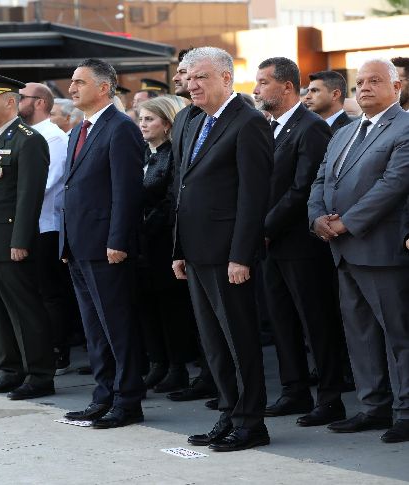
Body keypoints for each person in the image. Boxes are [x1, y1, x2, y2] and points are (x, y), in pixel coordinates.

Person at [173, 47, 273, 451]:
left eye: (202, 77)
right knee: (213, 343)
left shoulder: (247, 121)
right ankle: (230, 414)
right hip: (196, 252)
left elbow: (254, 196)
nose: (192, 84)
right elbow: (182, 190)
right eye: (189, 77)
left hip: (229, 256)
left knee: (240, 341)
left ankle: (252, 424)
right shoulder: (196, 120)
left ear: (227, 79)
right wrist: (179, 249)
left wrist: (241, 256)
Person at [309, 58, 409, 444]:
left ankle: (405, 410)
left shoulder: (404, 127)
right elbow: (321, 179)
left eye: (375, 81)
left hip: (380, 248)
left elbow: (394, 184)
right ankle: (373, 407)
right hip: (342, 249)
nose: (364, 87)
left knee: (398, 335)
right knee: (360, 333)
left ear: (396, 87)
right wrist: (317, 218)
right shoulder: (344, 132)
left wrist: (347, 221)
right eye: (360, 82)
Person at [252, 57, 346, 427]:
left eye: (263, 82)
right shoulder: (268, 127)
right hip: (272, 242)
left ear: (286, 87)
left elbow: (303, 188)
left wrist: (265, 226)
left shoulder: (310, 129)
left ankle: (330, 397)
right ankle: (294, 390)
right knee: (281, 320)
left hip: (300, 244)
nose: (256, 90)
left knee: (315, 322)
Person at [59, 59, 145, 428]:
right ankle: (103, 394)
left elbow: (126, 191)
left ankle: (127, 401)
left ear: (104, 88)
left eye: (80, 82)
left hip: (106, 245)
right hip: (79, 244)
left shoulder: (120, 127)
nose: (72, 89)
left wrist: (118, 240)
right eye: (72, 82)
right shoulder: (82, 128)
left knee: (117, 326)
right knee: (95, 328)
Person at [0, 73, 55, 400]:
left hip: (9, 242)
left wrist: (20, 240)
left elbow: (28, 195)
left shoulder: (27, 139)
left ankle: (39, 374)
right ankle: (11, 369)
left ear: (9, 102)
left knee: (24, 310)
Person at [164, 54, 218, 406]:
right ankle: (210, 378)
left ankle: (227, 389)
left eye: (191, 73)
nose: (182, 78)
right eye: (183, 72)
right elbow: (178, 180)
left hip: (220, 239)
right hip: (189, 236)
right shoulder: (185, 117)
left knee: (224, 324)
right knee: (203, 322)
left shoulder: (229, 117)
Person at [136, 97, 198, 394]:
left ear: (167, 124)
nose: (143, 125)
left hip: (163, 241)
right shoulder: (143, 154)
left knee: (170, 306)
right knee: (147, 305)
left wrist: (145, 226)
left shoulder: (172, 155)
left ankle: (177, 368)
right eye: (142, 119)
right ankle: (157, 364)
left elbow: (169, 200)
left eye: (150, 119)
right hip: (142, 244)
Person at [18, 82, 78, 375]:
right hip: (27, 224)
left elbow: (45, 184)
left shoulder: (52, 138)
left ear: (40, 102)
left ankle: (58, 351)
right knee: (34, 292)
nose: (17, 102)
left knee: (49, 292)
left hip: (46, 224)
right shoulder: (27, 135)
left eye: (22, 98)